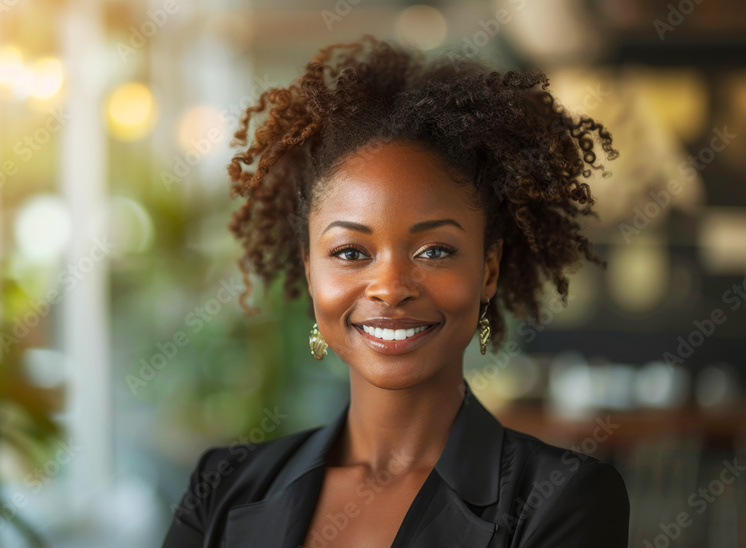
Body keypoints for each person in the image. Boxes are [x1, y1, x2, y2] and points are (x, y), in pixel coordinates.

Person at [162, 35, 629, 548]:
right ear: (309, 269)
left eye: (434, 251)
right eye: (350, 252)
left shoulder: (562, 498)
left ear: (488, 270)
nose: (389, 288)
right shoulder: (223, 487)